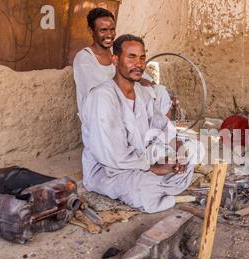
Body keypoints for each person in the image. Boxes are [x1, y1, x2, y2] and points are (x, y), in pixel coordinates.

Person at [80, 34, 197, 213]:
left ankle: (161, 185)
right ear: (115, 60)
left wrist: (180, 151)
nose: (139, 64)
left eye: (142, 58)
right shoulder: (102, 96)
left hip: (140, 159)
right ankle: (159, 188)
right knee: (141, 189)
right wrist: (153, 168)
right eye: (131, 57)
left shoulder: (142, 93)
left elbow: (163, 126)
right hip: (108, 169)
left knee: (192, 151)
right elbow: (113, 154)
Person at [73, 7, 116, 119]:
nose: (110, 34)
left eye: (112, 29)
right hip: (97, 121)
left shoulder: (116, 55)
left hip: (118, 117)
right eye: (103, 30)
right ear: (91, 30)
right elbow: (100, 93)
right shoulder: (84, 58)